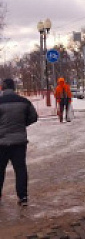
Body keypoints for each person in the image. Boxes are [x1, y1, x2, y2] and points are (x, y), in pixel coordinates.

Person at [0, 78, 38, 207]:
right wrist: (22, 125)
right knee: (20, 169)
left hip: (2, 142)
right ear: (14, 88)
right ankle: (23, 197)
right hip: (20, 141)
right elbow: (34, 117)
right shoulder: (24, 101)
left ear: (2, 88)